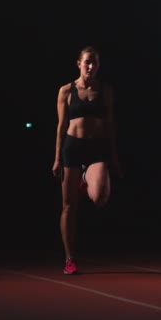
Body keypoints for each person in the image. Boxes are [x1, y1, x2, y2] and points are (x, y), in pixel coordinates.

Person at [52, 45, 122, 274]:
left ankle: (85, 177)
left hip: (97, 149)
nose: (91, 66)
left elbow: (111, 125)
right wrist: (56, 158)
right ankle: (70, 258)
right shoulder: (66, 91)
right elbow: (61, 126)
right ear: (79, 63)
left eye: (95, 63)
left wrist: (114, 158)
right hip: (72, 148)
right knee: (69, 206)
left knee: (100, 198)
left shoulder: (106, 90)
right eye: (87, 62)